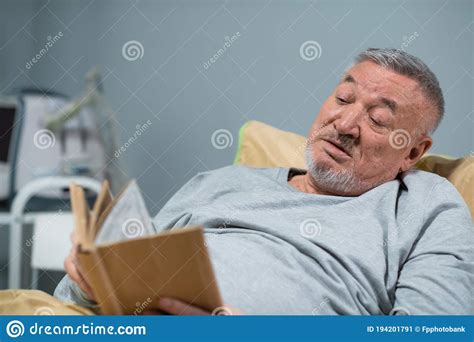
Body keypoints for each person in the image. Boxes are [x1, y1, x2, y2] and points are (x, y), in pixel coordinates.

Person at [55, 48, 474, 315]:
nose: (345, 124)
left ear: (413, 153)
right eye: (343, 100)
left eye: (378, 120)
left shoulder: (425, 204)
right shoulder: (220, 182)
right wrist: (88, 281)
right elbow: (85, 294)